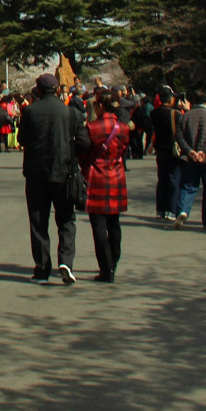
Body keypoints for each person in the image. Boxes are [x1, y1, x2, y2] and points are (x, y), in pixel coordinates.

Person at [19, 73, 90, 285]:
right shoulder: (71, 113)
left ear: (38, 90)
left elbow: (22, 138)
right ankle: (66, 261)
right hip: (65, 171)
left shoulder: (30, 111)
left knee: (39, 221)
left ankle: (42, 268)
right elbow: (85, 142)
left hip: (36, 172)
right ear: (58, 89)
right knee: (66, 218)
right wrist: (71, 152)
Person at [80, 87, 130, 282]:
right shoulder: (123, 127)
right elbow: (123, 149)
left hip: (96, 175)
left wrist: (84, 164)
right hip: (116, 174)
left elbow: (83, 151)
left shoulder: (92, 127)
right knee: (114, 222)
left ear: (100, 106)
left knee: (98, 225)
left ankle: (105, 267)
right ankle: (114, 259)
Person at [173, 89, 206, 230]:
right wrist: (204, 152)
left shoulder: (184, 117)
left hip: (189, 158)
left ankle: (182, 210)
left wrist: (190, 151)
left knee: (187, 187)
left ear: (193, 101)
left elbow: (179, 136)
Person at [149, 86, 182, 220]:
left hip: (160, 149)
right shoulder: (176, 114)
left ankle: (160, 209)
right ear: (170, 99)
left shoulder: (154, 113)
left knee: (162, 180)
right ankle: (172, 209)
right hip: (172, 150)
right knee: (174, 179)